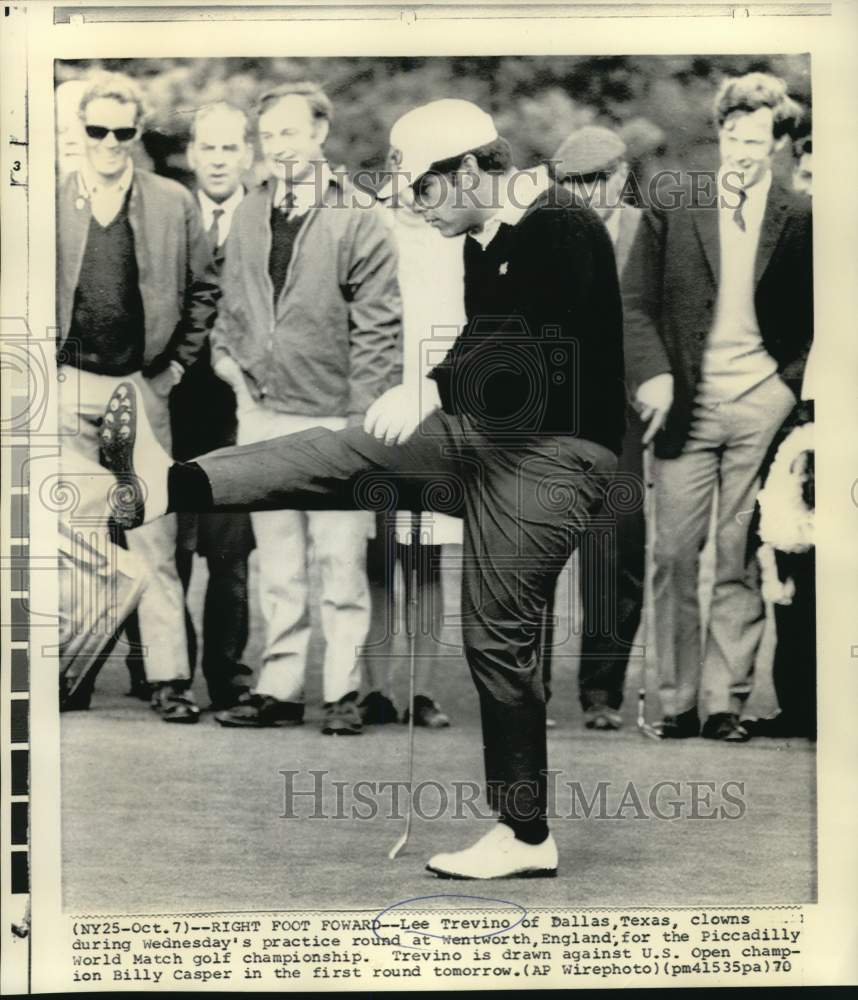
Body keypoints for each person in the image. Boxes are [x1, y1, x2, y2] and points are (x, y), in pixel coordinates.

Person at [99, 98, 626, 880]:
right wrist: (439, 395)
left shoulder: (561, 223)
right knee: (346, 448)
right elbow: (491, 344)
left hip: (560, 457)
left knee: (494, 635)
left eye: (423, 191)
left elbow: (534, 342)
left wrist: (437, 385)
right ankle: (171, 486)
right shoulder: (481, 239)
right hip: (487, 434)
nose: (413, 208)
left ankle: (525, 836)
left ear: (474, 170)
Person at [622, 72, 813, 741]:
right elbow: (634, 305)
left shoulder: (801, 216)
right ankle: (674, 702)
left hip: (759, 407)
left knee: (736, 555)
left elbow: (819, 321)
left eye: (755, 138)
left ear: (779, 143)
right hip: (684, 408)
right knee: (675, 553)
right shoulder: (675, 199)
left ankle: (724, 701)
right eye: (731, 134)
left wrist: (784, 387)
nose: (739, 149)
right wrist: (651, 376)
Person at [208, 82, 402, 734]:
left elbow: (380, 329)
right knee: (280, 564)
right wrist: (229, 364)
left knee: (340, 564)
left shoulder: (358, 218)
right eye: (271, 136)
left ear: (320, 135)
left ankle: (345, 691)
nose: (281, 147)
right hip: (261, 414)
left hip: (332, 419)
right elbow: (228, 304)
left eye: (293, 132)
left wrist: (359, 421)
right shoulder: (249, 212)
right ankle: (280, 688)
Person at [56, 71, 219, 723]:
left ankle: (169, 679)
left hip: (139, 384)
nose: (109, 143)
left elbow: (204, 290)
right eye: (97, 130)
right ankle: (71, 671)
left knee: (153, 530)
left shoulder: (171, 202)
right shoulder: (45, 200)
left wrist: (174, 368)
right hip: (66, 382)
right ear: (81, 131)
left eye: (123, 132)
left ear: (137, 134)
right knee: (73, 536)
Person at [543, 125, 646, 731]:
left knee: (616, 549)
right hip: (550, 417)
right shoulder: (540, 231)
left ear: (620, 177)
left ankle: (602, 693)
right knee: (536, 548)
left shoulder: (646, 232)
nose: (582, 193)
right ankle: (526, 691)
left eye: (593, 180)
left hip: (624, 417)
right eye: (570, 182)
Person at [360, 182, 466, 730]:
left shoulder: (453, 234)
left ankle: (421, 691)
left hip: (435, 409)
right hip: (375, 401)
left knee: (423, 556)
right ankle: (373, 688)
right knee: (374, 555)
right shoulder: (367, 225)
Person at [169, 102, 256, 710]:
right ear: (192, 154)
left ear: (247, 153)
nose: (219, 159)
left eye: (230, 148)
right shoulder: (169, 214)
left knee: (230, 550)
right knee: (166, 546)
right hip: (171, 399)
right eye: (209, 148)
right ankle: (167, 676)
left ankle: (228, 678)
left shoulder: (267, 215)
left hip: (242, 408)